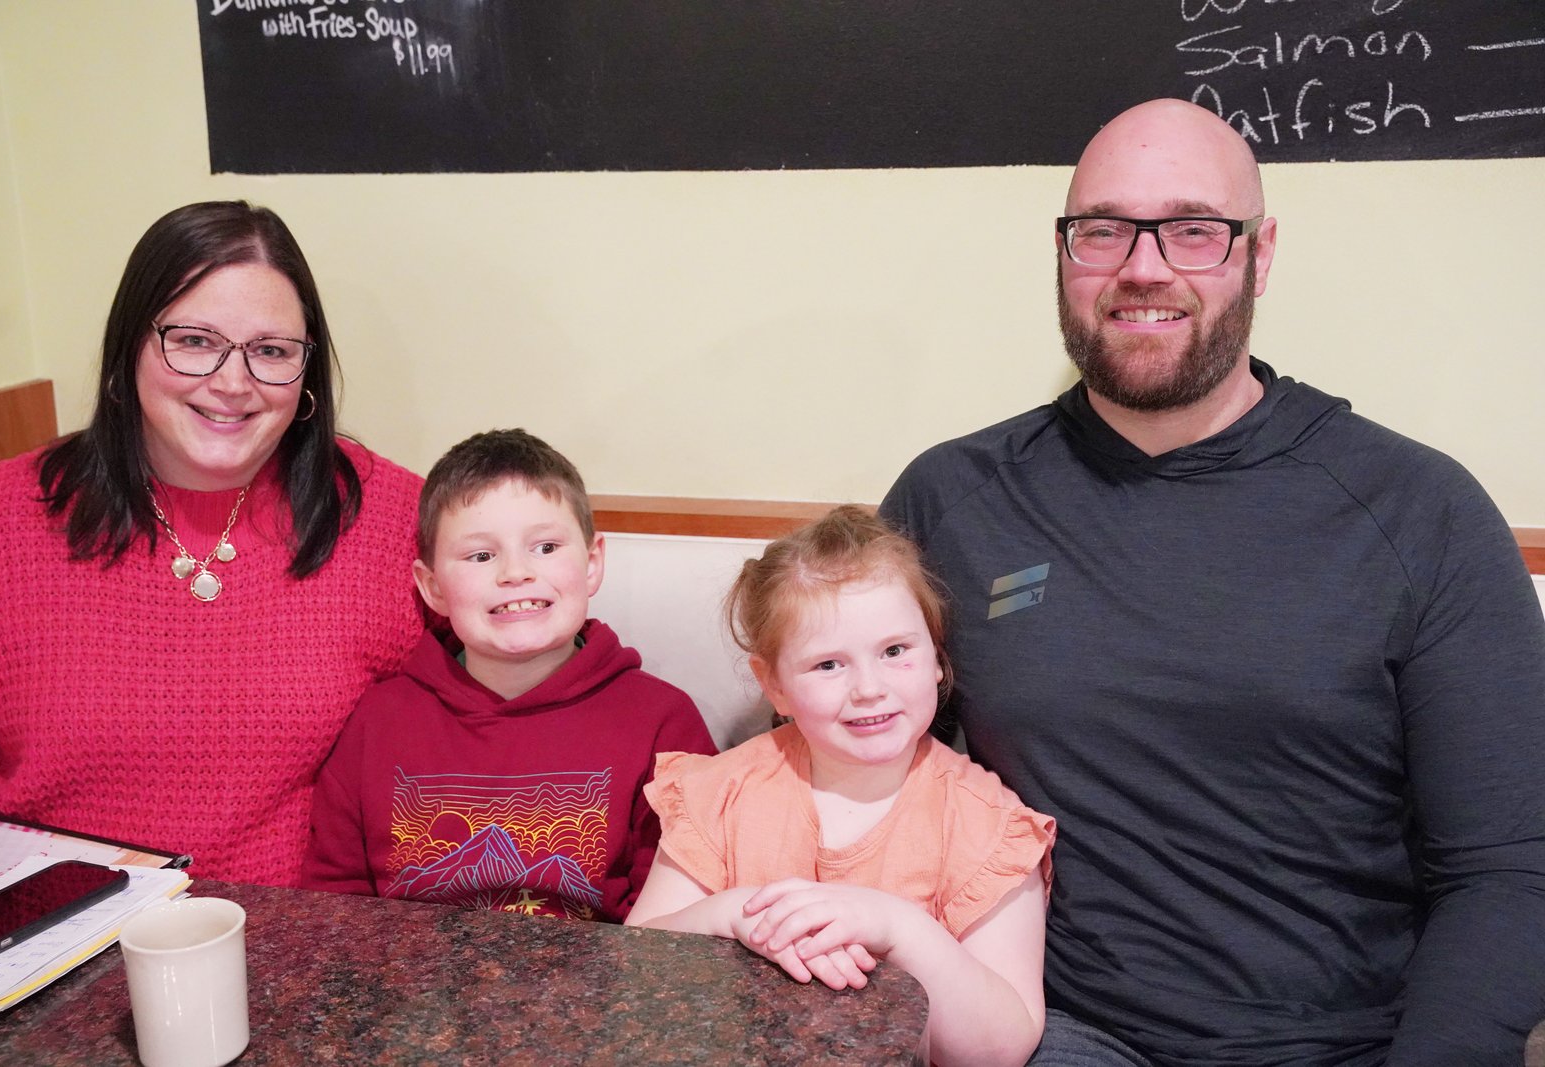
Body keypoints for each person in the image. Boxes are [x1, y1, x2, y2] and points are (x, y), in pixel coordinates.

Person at [880, 98, 1545, 1066]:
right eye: (1102, 231)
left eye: (1194, 230)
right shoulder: (953, 496)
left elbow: (1508, 867)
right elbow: (846, 779)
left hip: (1340, 1042)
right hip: (1048, 1030)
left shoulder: (1418, 510)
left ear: (1260, 254)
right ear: (1063, 253)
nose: (1141, 267)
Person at [0, 201, 426, 888]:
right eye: (194, 340)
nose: (233, 383)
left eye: (271, 351)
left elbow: (505, 707)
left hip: (284, 944)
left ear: (306, 374)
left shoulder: (389, 517)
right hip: (26, 934)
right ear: (128, 351)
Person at [627, 506, 1054, 1067]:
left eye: (896, 651)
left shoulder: (987, 826)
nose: (869, 689)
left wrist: (898, 928)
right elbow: (635, 967)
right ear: (773, 685)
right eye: (828, 665)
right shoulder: (722, 791)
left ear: (936, 659)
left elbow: (1000, 1048)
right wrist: (730, 917)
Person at [301, 428, 716, 921]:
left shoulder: (662, 722)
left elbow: (680, 913)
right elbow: (332, 905)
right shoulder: (380, 720)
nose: (515, 573)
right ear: (432, 587)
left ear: (591, 563)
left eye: (544, 547)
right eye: (481, 555)